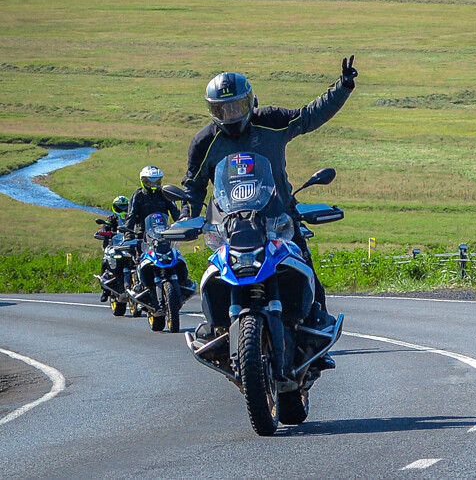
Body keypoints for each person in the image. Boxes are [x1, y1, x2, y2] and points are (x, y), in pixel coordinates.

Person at [180, 56, 357, 367]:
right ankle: (215, 329)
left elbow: (308, 117)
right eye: (222, 110)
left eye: (237, 106)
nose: (230, 115)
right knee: (214, 275)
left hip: (278, 217)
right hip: (230, 226)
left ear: (250, 102)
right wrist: (187, 217)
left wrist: (342, 88)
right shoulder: (204, 142)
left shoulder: (271, 121)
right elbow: (193, 186)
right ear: (212, 111)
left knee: (308, 275)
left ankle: (317, 341)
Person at [127, 166, 192, 306]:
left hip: (164, 233)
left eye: (156, 181)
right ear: (143, 181)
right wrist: (128, 233)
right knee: (138, 257)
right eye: (149, 181)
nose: (153, 184)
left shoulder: (164, 193)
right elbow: (131, 216)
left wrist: (183, 224)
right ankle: (139, 283)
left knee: (174, 255)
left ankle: (182, 281)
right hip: (143, 233)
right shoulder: (137, 195)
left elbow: (175, 212)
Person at [98, 195, 129, 301]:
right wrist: (105, 232)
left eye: (125, 207)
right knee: (105, 260)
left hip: (127, 244)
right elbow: (104, 228)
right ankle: (105, 290)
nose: (123, 210)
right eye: (120, 207)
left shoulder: (131, 218)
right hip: (113, 244)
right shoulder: (111, 219)